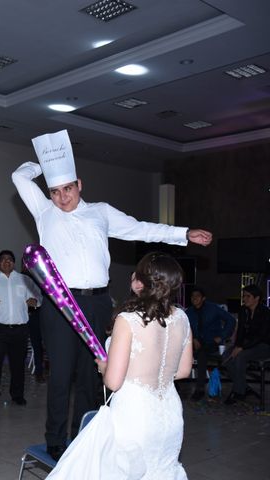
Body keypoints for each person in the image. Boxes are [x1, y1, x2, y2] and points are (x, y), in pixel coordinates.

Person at [12, 129, 212, 461]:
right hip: (59, 303)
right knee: (60, 374)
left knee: (93, 375)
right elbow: (18, 175)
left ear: (80, 184)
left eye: (67, 189)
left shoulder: (101, 212)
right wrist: (42, 165)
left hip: (97, 301)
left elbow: (141, 229)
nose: (62, 198)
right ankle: (55, 440)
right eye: (55, 191)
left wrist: (184, 233)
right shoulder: (43, 210)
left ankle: (85, 437)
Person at [48, 253, 194, 479]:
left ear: (141, 282)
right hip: (170, 413)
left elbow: (113, 382)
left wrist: (104, 366)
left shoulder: (128, 320)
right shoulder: (183, 318)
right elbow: (184, 371)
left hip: (135, 414)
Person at [0, 250, 40, 408]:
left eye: (10, 259)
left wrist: (34, 301)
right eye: (3, 260)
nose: (7, 262)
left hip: (20, 329)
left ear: (13, 263)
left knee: (18, 364)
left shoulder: (24, 280)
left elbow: (37, 297)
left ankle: (17, 395)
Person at [185, 286, 235, 400]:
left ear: (203, 298)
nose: (194, 298)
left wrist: (221, 336)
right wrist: (193, 338)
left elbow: (230, 320)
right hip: (195, 342)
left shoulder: (213, 308)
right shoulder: (189, 312)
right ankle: (174, 384)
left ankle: (200, 389)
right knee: (174, 350)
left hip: (212, 342)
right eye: (192, 296)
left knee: (202, 353)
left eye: (197, 296)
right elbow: (186, 328)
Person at [224, 284, 270, 405]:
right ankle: (243, 386)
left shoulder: (265, 312)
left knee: (240, 356)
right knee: (226, 356)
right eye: (244, 296)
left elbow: (261, 336)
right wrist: (237, 346)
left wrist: (241, 348)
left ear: (257, 298)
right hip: (247, 344)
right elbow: (240, 332)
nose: (244, 299)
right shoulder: (243, 310)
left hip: (264, 345)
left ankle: (239, 392)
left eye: (248, 296)